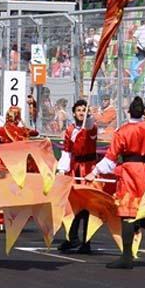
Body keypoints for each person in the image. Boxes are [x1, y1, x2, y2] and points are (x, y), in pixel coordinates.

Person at [92, 96, 145, 269]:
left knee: (127, 214)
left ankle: (127, 257)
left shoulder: (123, 131)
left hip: (130, 172)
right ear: (143, 111)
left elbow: (110, 158)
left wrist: (94, 172)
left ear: (128, 111)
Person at [57, 99, 97, 253]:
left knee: (87, 207)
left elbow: (90, 126)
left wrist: (89, 116)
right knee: (72, 205)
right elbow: (67, 151)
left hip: (88, 170)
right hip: (75, 169)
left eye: (84, 110)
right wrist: (62, 170)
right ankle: (71, 238)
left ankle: (86, 242)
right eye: (79, 110)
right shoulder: (69, 130)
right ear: (73, 112)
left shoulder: (91, 128)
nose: (81, 112)